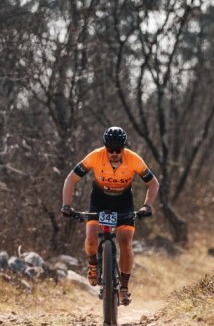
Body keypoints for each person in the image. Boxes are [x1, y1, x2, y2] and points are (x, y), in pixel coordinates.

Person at [61, 126, 159, 305]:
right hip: (99, 202)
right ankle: (93, 264)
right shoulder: (95, 156)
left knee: (125, 243)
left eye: (118, 149)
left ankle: (124, 287)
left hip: (123, 203)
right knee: (91, 239)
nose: (114, 153)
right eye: (110, 149)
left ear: (124, 147)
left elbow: (153, 183)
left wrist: (147, 206)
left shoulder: (133, 159)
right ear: (105, 147)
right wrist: (66, 205)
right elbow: (71, 179)